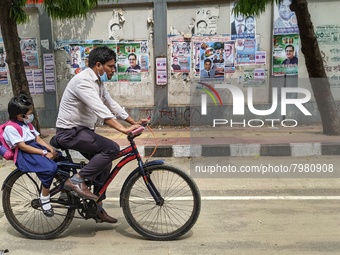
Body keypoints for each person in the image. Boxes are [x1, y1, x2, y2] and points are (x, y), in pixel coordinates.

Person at [55, 46, 146, 224]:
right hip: (69, 132)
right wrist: (123, 129)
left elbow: (112, 105)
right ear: (99, 65)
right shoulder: (83, 81)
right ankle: (76, 180)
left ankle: (96, 208)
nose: (113, 70)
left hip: (82, 131)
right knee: (112, 148)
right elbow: (101, 110)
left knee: (104, 163)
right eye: (111, 66)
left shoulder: (98, 82)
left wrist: (133, 123)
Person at [4, 94, 58, 217]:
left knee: (60, 159)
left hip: (35, 147)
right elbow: (23, 146)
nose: (31, 115)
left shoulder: (27, 124)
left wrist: (51, 149)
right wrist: (44, 153)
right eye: (29, 113)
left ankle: (64, 189)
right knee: (50, 168)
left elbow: (38, 139)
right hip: (25, 154)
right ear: (20, 115)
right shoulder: (11, 128)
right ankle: (45, 199)